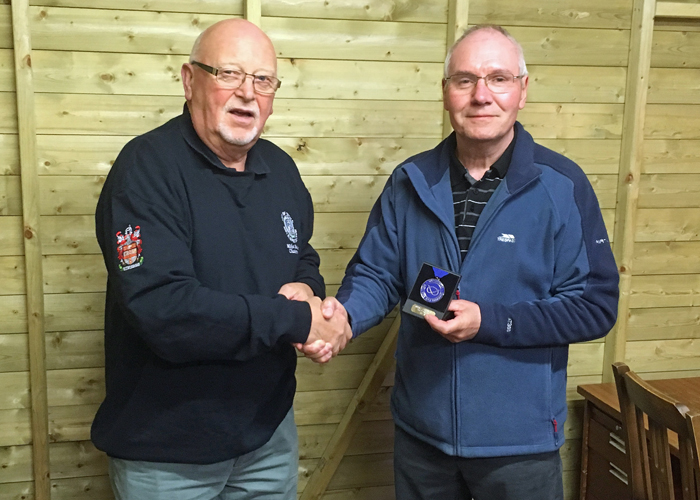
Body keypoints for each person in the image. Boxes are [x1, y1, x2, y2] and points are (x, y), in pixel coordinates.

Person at [311, 25, 620, 499]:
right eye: (464, 80)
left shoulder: (562, 186)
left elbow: (595, 306)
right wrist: (344, 318)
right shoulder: (410, 181)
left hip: (519, 446)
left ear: (522, 90)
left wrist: (490, 321)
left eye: (498, 78)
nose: (481, 95)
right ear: (445, 92)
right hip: (422, 440)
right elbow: (377, 273)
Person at [92, 19, 351, 500]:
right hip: (168, 456)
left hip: (267, 438)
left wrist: (307, 287)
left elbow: (300, 251)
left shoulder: (281, 169)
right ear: (190, 80)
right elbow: (164, 310)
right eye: (229, 73)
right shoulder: (146, 169)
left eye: (263, 79)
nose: (248, 93)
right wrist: (296, 320)